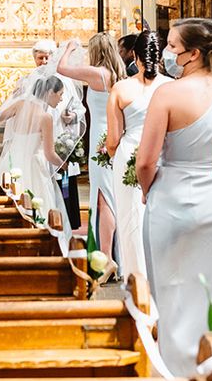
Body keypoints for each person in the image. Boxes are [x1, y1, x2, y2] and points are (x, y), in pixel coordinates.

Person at [135, 18, 212, 376]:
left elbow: (145, 160)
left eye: (172, 47)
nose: (166, 54)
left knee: (172, 292)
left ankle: (174, 368)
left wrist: (149, 191)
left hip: (171, 200)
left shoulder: (167, 94)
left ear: (192, 53)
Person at [107, 30, 171, 281]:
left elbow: (113, 139)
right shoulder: (172, 87)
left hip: (129, 153)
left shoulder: (121, 88)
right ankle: (163, 276)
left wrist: (114, 153)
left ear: (134, 55)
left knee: (131, 217)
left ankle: (136, 279)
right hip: (164, 155)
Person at [58, 33, 125, 260]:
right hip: (113, 136)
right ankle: (115, 252)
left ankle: (105, 255)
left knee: (103, 197)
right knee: (111, 193)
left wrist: (68, 48)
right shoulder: (118, 74)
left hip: (101, 141)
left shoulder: (97, 73)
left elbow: (62, 68)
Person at [0, 73, 72, 230]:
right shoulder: (45, 117)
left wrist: (13, 98)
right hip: (32, 167)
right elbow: (50, 154)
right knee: (37, 207)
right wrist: (65, 164)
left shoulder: (20, 104)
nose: (61, 99)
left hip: (10, 164)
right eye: (60, 94)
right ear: (50, 93)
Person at [21, 40, 86, 229]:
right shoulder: (29, 79)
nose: (43, 61)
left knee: (63, 185)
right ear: (34, 59)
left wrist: (72, 115)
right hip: (38, 144)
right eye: (39, 58)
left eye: (46, 57)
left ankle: (65, 221)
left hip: (59, 137)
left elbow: (79, 108)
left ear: (53, 58)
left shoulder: (64, 80)